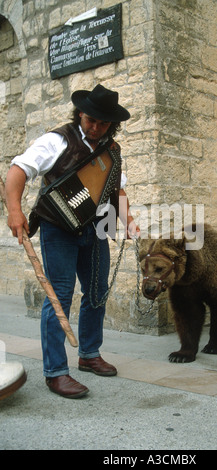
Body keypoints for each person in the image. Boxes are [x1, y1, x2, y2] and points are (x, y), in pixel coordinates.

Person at [5, 85, 139, 399]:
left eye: (103, 123)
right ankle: (55, 372)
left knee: (96, 293)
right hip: (58, 229)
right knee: (59, 298)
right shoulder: (57, 140)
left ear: (111, 124)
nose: (95, 127)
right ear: (80, 113)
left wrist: (129, 222)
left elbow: (116, 191)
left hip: (97, 229)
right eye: (91, 120)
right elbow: (18, 170)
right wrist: (14, 211)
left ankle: (89, 354)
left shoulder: (113, 150)